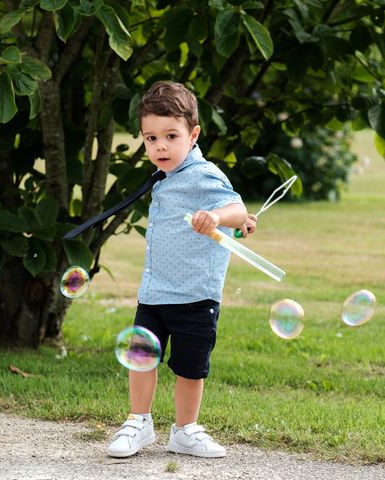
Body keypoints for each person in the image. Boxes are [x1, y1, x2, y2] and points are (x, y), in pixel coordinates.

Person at [107, 81, 256, 459]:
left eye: (171, 136)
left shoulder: (204, 174)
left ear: (193, 135)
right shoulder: (165, 176)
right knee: (141, 358)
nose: (160, 146)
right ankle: (138, 423)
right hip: (154, 291)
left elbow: (237, 210)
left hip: (194, 295)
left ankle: (185, 431)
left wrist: (219, 216)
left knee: (191, 369)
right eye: (150, 137)